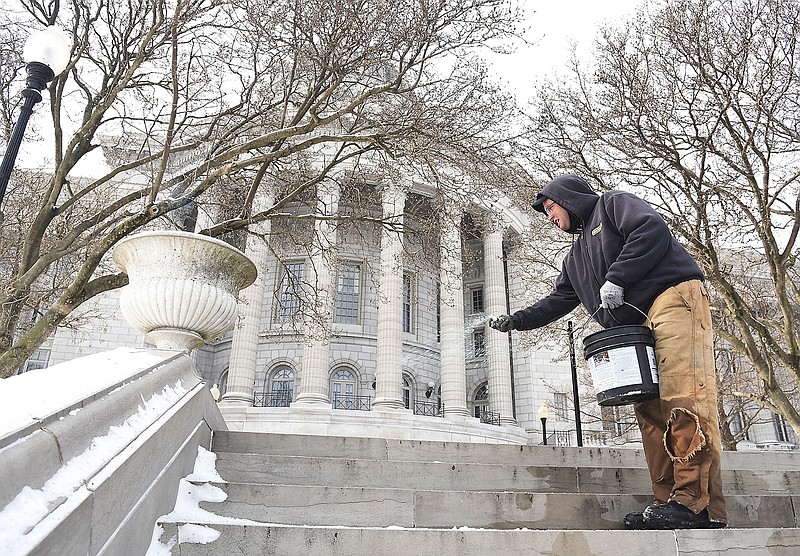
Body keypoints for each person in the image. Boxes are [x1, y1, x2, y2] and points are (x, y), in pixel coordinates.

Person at [489, 174, 726, 530]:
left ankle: (695, 502)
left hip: (673, 299)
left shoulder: (612, 204)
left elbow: (651, 230)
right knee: (649, 409)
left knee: (683, 397)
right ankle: (667, 503)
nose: (550, 218)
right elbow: (558, 301)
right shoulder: (574, 258)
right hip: (633, 330)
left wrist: (617, 277)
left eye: (551, 208)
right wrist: (517, 320)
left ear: (567, 198)